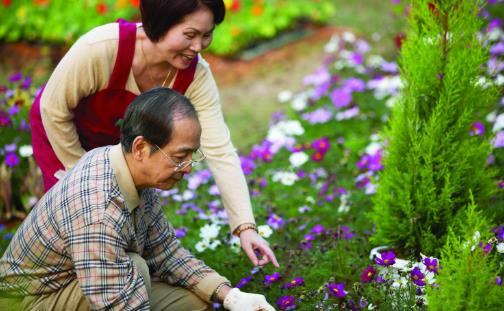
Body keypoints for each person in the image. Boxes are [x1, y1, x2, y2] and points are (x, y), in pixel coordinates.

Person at [29, 0, 278, 268]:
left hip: (124, 147)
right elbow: (52, 109)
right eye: (190, 35)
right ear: (159, 24)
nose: (198, 47)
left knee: (123, 223)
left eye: (207, 35)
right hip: (63, 134)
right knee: (77, 221)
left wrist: (245, 226)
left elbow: (219, 150)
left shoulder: (196, 76)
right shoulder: (102, 49)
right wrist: (85, 177)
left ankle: (126, 275)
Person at [1, 88, 275, 311]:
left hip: (92, 281)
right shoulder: (97, 207)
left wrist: (231, 297)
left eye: (192, 155)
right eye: (180, 157)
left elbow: (164, 251)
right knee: (136, 267)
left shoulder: (132, 171)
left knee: (192, 303)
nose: (189, 167)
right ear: (141, 148)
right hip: (31, 301)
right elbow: (114, 302)